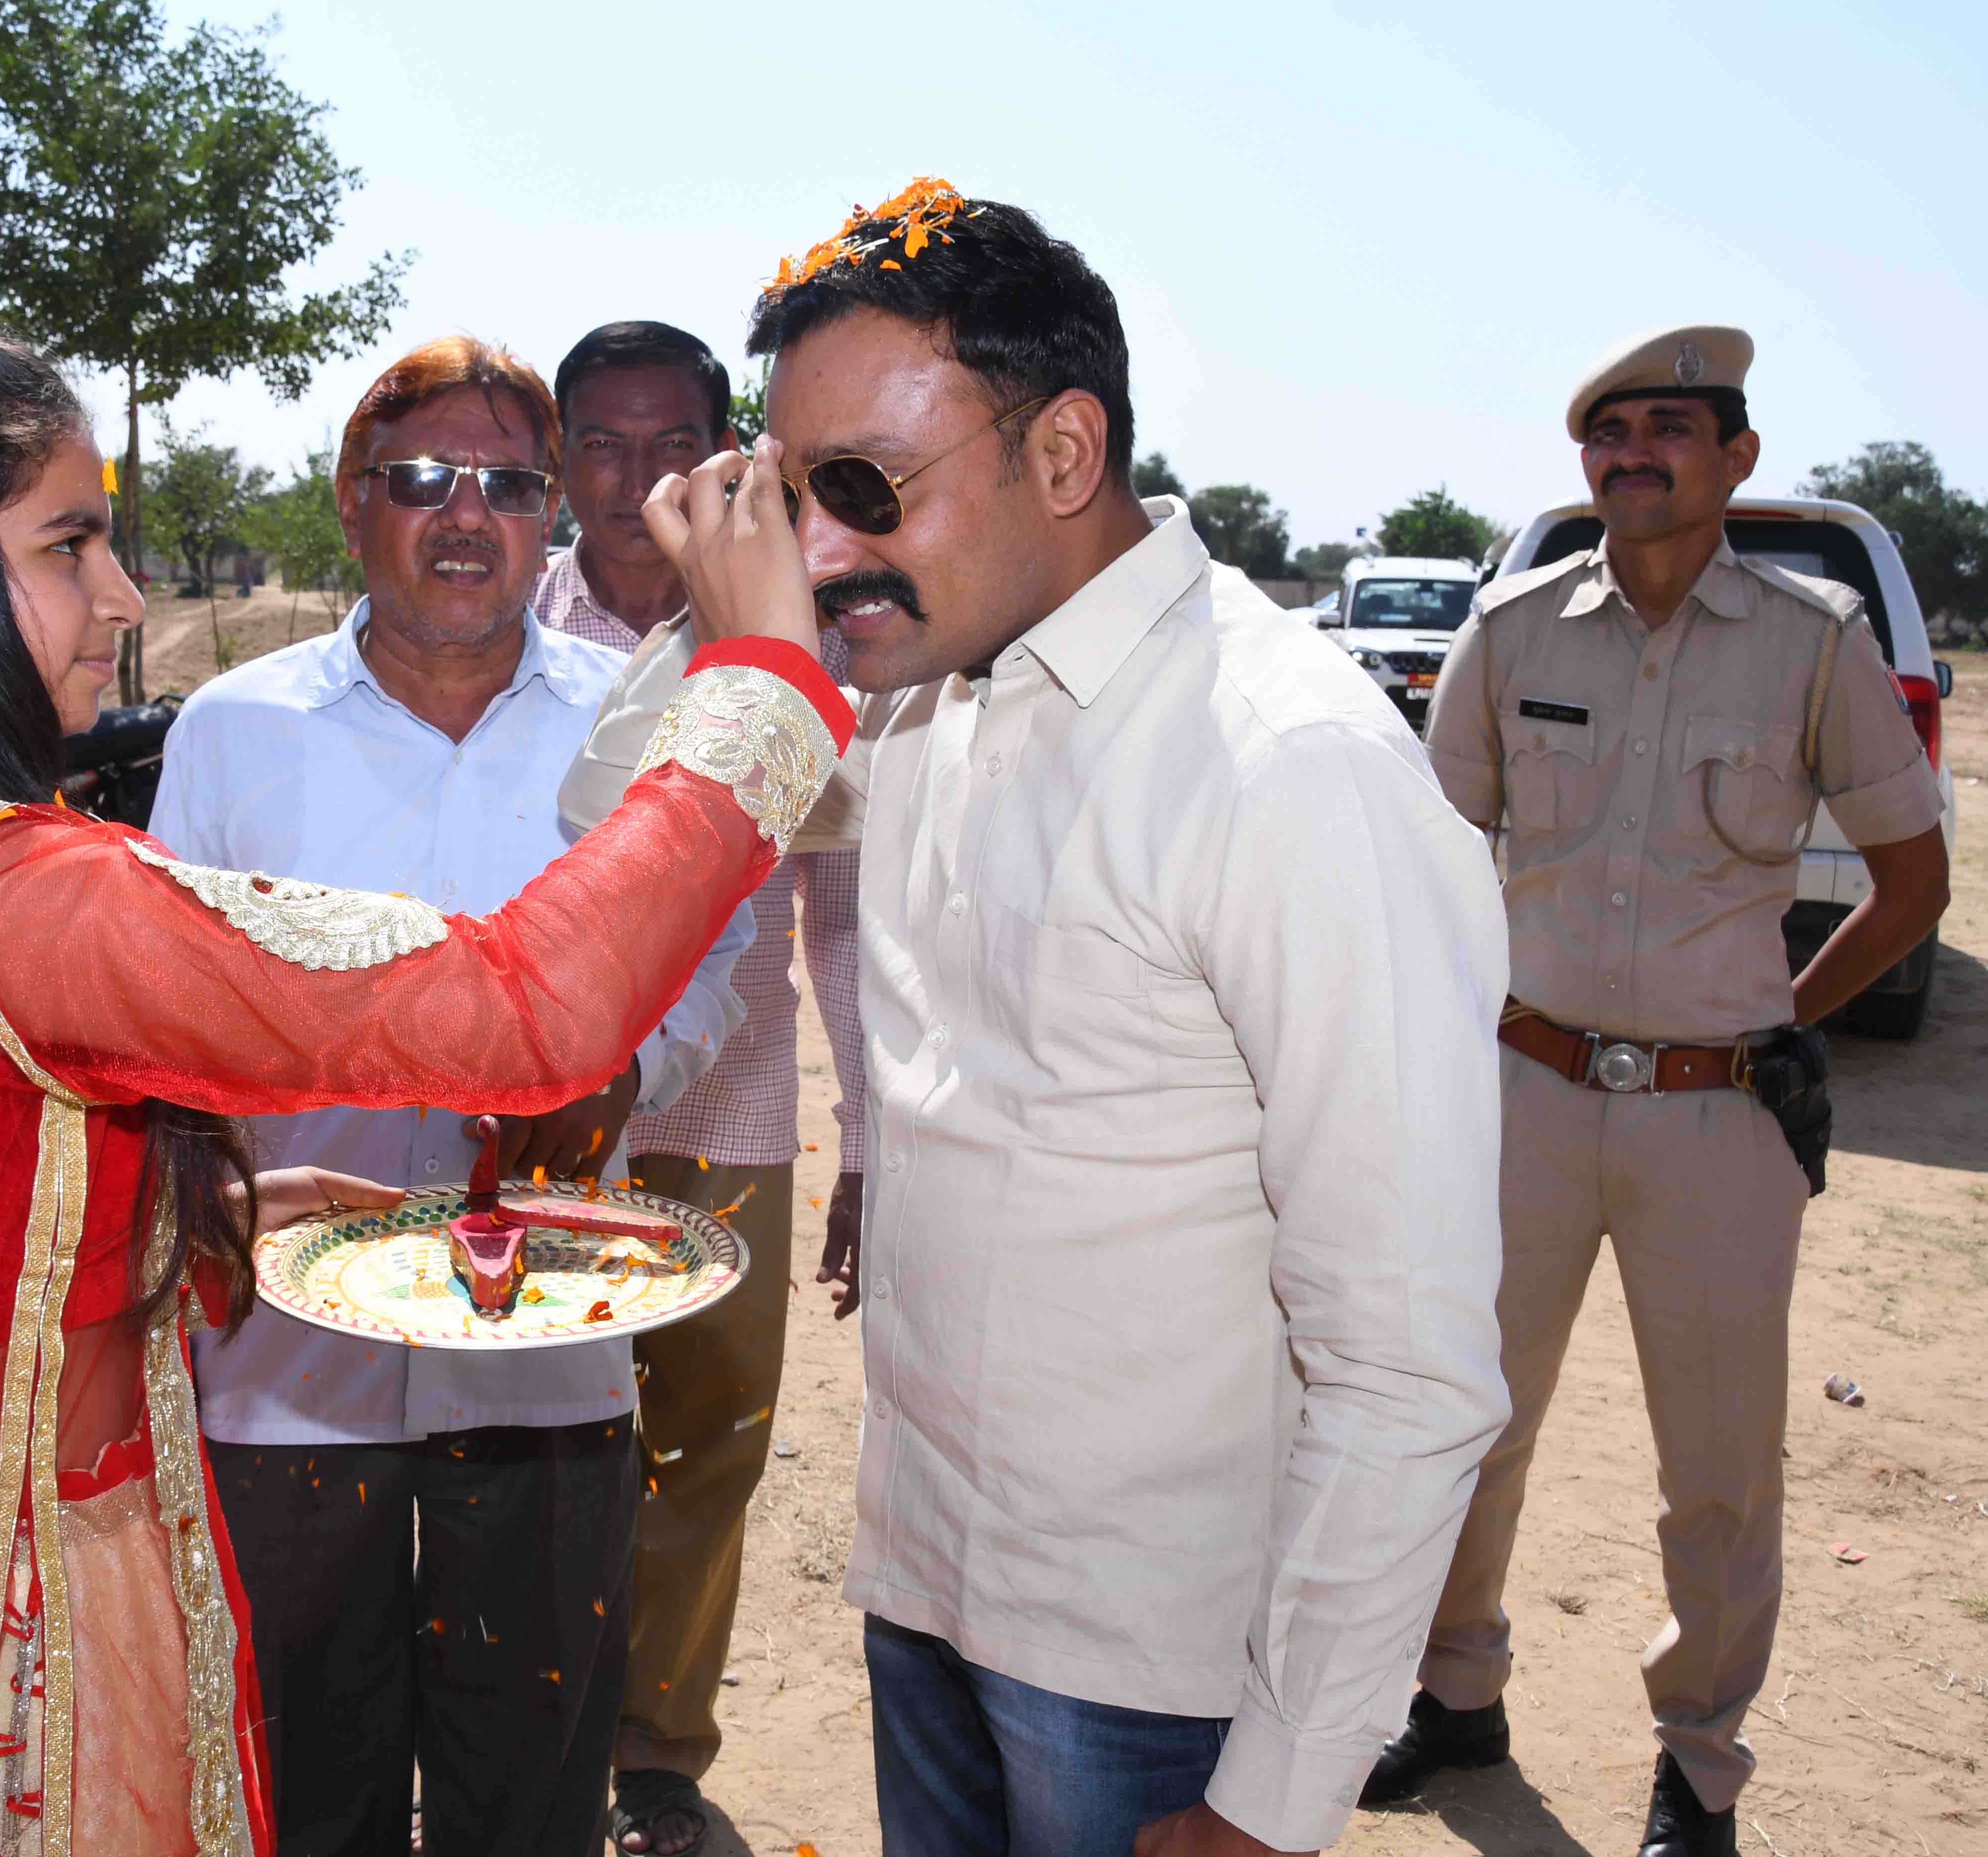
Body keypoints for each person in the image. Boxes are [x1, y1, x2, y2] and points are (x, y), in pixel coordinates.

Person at [0, 319, 849, 1856]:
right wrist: (765, 679)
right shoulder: (12, 895)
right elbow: (528, 1011)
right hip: (24, 1639)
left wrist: (185, 1221)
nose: (126, 598)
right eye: (71, 545)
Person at [622, 182, 1513, 1857]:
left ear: (1061, 453)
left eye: (862, 488)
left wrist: (1272, 1802)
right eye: (792, 494)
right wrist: (732, 626)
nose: (821, 548)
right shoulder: (919, 693)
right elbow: (600, 812)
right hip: (924, 1582)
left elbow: (1408, 1360)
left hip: (1147, 1672)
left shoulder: (1286, 765)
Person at [148, 335, 751, 1857]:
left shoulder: (637, 728)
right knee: (302, 1780)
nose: (468, 515)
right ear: (353, 501)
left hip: (549, 1358)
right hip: (287, 1367)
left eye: (510, 484)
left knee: (531, 1789)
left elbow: (711, 953)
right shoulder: (233, 731)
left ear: (553, 517)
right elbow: (162, 1016)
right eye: (423, 478)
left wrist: (624, 1068)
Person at [1375, 327, 1952, 1856]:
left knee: (1719, 1472)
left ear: (1736, 458)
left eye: (1670, 428)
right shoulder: (1511, 632)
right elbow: (1430, 862)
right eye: (1610, 431)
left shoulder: (1814, 642)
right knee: (1468, 1426)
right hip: (1523, 1100)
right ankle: (1455, 1694)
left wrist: (1783, 1021)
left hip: (1719, 1118)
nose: (1634, 454)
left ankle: (1697, 1770)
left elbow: (1912, 884)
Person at [530, 319, 869, 1856]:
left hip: (728, 1108)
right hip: (544, 1118)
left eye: (676, 444)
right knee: (529, 1443)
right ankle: (521, 1737)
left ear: (736, 456)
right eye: (602, 444)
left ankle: (657, 1754)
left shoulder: (808, 641)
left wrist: (868, 1136)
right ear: (560, 461)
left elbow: (840, 915)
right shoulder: (504, 637)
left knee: (709, 1442)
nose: (637, 479)